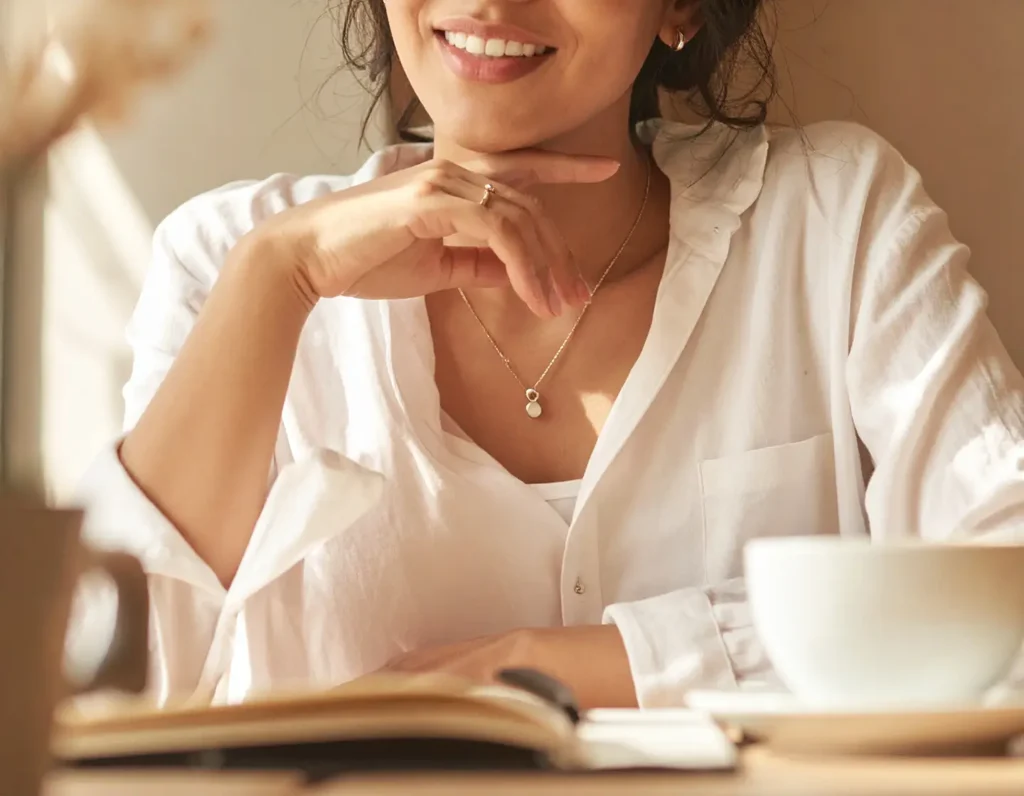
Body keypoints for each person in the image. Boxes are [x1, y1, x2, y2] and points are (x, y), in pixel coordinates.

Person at [81, 0, 1024, 710]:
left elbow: (1007, 601)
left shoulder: (836, 220)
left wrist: (547, 667)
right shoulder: (228, 259)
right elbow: (106, 694)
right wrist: (277, 280)